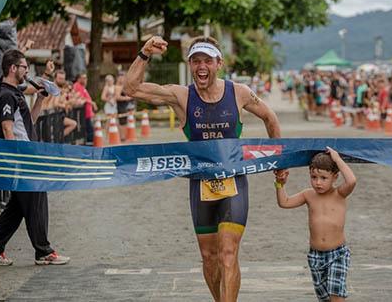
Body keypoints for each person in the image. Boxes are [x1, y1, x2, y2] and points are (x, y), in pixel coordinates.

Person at [124, 35, 286, 302]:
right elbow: (132, 89)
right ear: (190, 64)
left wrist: (279, 159)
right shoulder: (182, 96)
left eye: (207, 61)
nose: (201, 66)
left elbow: (270, 116)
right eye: (195, 60)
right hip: (201, 185)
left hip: (234, 180)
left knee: (228, 253)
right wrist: (144, 53)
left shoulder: (239, 93)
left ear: (218, 63)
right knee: (209, 258)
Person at [0, 49, 70, 266]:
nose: (27, 71)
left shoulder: (16, 92)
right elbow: (7, 128)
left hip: (26, 156)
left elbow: (29, 123)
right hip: (22, 159)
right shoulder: (6, 94)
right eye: (24, 67)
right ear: (13, 68)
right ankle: (43, 251)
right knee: (36, 198)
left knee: (17, 207)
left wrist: (40, 101)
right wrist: (16, 161)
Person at [274, 147, 356, 302]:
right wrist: (279, 184)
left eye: (323, 178)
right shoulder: (308, 195)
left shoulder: (340, 193)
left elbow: (352, 180)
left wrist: (337, 159)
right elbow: (284, 203)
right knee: (324, 298)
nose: (318, 182)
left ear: (335, 177)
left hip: (337, 254)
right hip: (315, 256)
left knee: (337, 295)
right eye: (314, 177)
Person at [73, 73, 97, 145]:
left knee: (90, 131)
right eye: (83, 78)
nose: (85, 79)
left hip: (88, 113)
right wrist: (92, 103)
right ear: (79, 79)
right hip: (84, 114)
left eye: (86, 78)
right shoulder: (77, 86)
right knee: (89, 131)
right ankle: (89, 147)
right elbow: (81, 98)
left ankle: (90, 145)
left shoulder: (82, 87)